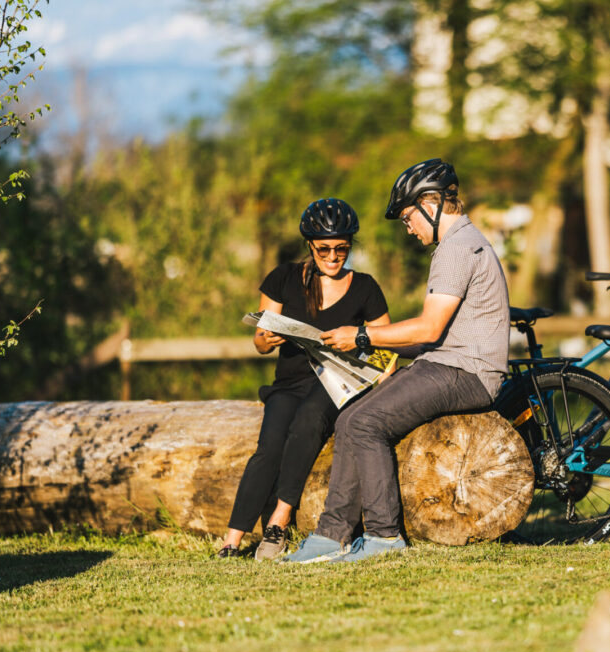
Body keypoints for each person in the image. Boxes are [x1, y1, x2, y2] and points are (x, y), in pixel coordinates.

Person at [283, 158, 510, 564]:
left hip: (465, 372)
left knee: (366, 422)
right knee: (350, 418)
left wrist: (362, 335)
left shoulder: (456, 250)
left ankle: (384, 536)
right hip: (451, 363)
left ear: (431, 203)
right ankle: (332, 535)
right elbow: (437, 335)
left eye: (409, 217)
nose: (408, 227)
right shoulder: (462, 243)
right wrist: (367, 347)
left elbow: (428, 328)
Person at [217, 198, 391, 560]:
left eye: (341, 248)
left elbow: (384, 343)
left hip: (334, 384)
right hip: (290, 382)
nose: (333, 255)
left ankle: (279, 521)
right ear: (310, 246)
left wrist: (360, 346)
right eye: (324, 248)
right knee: (268, 447)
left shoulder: (365, 287)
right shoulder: (283, 277)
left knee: (308, 421)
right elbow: (260, 342)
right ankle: (230, 541)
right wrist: (267, 338)